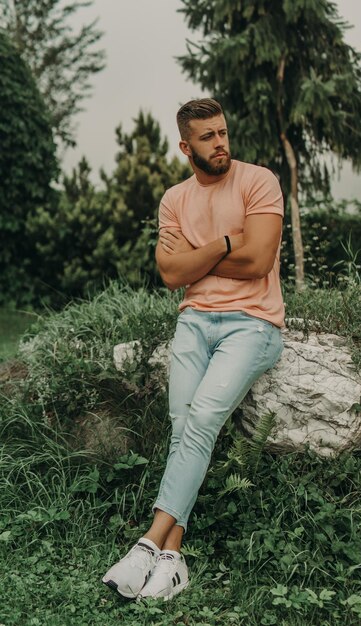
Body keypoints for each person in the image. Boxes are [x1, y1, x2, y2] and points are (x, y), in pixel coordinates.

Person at [102, 98, 285, 601]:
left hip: (253, 325)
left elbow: (260, 259)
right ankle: (172, 558)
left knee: (202, 417)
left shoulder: (259, 180)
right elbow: (169, 274)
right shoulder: (173, 199)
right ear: (186, 146)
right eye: (208, 137)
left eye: (223, 132)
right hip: (195, 322)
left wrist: (197, 259)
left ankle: (147, 542)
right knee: (183, 424)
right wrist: (226, 243)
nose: (221, 143)